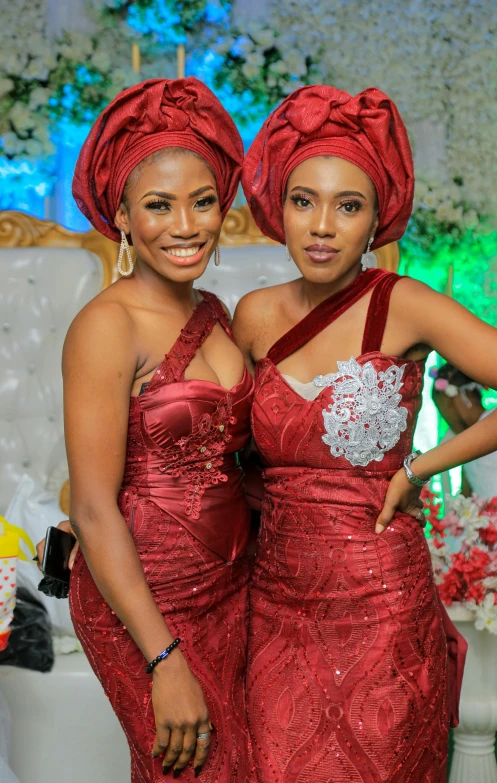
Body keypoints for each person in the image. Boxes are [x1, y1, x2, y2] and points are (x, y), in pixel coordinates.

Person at [234, 84, 497, 781]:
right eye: (304, 201)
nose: (323, 225)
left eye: (348, 205)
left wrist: (421, 466)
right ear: (280, 210)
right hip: (276, 607)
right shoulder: (249, 315)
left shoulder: (404, 305)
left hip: (382, 610)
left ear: (375, 223)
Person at [36, 78, 253, 782]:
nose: (185, 225)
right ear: (123, 216)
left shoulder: (218, 310)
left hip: (229, 591)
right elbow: (92, 507)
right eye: (158, 205)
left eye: (202, 201)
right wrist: (163, 659)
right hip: (143, 607)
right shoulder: (107, 324)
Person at [432, 363, 497, 502]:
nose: (446, 417)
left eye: (443, 408)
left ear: (457, 398)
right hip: (489, 523)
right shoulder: (466, 443)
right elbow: (467, 497)